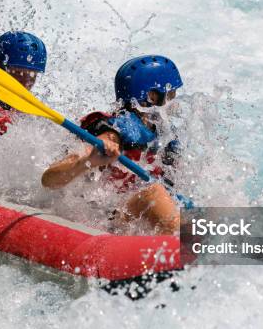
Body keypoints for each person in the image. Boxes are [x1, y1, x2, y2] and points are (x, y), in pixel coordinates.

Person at [41, 55, 184, 235]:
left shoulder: (163, 135)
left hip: (138, 219)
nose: (175, 103)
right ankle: (185, 251)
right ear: (152, 96)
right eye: (171, 95)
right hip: (107, 216)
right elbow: (48, 181)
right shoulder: (115, 130)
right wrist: (88, 160)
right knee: (153, 194)